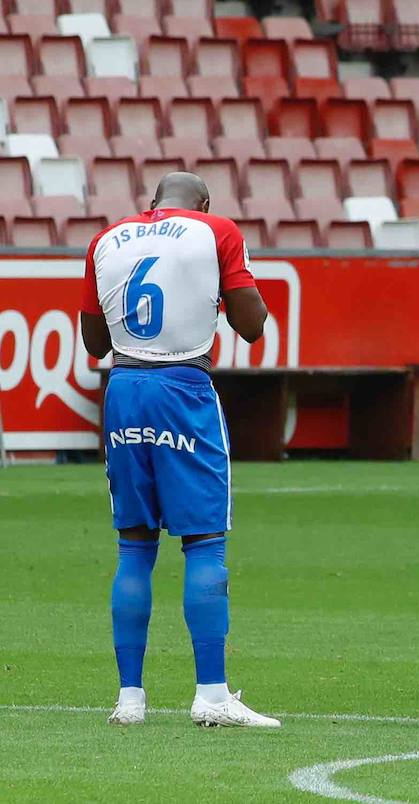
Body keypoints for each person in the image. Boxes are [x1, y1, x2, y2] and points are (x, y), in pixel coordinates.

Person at [79, 172, 278, 729]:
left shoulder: (106, 238)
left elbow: (95, 342)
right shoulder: (216, 230)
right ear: (204, 204)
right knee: (205, 544)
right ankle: (212, 695)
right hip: (184, 390)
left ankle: (130, 700)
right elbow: (253, 325)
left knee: (134, 548)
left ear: (152, 204)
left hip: (123, 392)